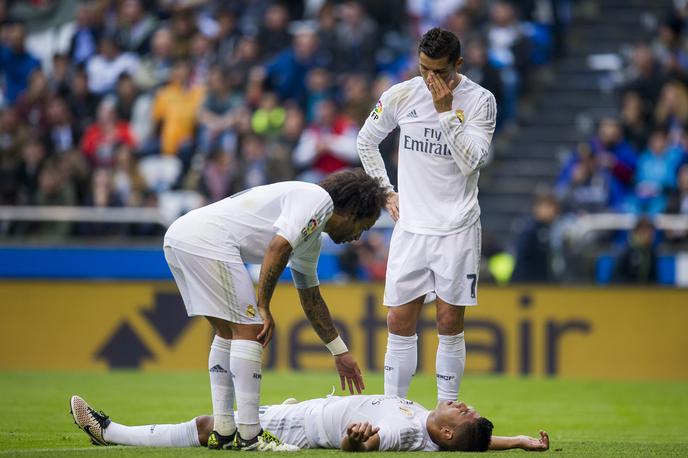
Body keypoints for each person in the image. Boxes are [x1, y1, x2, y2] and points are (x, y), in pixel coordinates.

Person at [162, 168, 387, 451]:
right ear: (352, 211)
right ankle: (250, 435)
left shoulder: (311, 235)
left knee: (227, 332)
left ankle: (224, 431)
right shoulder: (319, 200)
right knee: (251, 328)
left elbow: (311, 298)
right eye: (362, 227)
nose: (357, 237)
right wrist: (263, 306)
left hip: (182, 236)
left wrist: (339, 351)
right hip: (206, 241)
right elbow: (277, 248)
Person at [357, 28, 497, 402]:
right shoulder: (401, 94)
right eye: (424, 69)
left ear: (458, 65)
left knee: (449, 323)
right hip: (412, 226)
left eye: (439, 71)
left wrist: (446, 113)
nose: (430, 79)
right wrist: (385, 191)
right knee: (398, 321)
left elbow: (472, 163)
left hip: (458, 226)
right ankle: (393, 409)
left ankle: (446, 412)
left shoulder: (481, 101)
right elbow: (365, 140)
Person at [70, 394, 550, 452]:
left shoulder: (407, 432)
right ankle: (112, 434)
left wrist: (353, 439)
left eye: (462, 414)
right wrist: (520, 442)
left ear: (445, 433)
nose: (462, 405)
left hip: (301, 427)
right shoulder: (431, 426)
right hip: (304, 413)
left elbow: (362, 447)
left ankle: (109, 433)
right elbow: (477, 444)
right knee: (214, 424)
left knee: (208, 426)